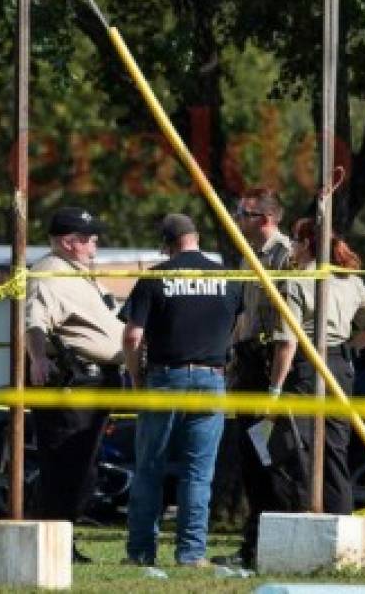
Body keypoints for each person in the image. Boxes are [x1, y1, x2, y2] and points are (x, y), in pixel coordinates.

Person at [123, 214, 240, 568]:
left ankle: (142, 553)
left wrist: (136, 379)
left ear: (166, 244)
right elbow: (239, 325)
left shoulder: (155, 277)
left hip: (165, 378)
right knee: (198, 473)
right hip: (211, 379)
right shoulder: (227, 278)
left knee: (149, 468)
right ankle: (191, 553)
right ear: (197, 238)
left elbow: (132, 336)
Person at [268, 218, 365, 515]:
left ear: (307, 245)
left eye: (296, 242)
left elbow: (287, 343)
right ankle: (340, 520)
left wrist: (273, 390)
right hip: (340, 366)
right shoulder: (349, 280)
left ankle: (301, 521)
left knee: (299, 450)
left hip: (306, 368)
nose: (292, 248)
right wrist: (350, 348)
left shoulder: (297, 282)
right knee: (335, 451)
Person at [25, 206, 124, 564]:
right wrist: (38, 358)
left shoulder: (80, 273)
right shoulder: (49, 274)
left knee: (82, 466)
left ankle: (58, 542)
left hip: (96, 382)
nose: (94, 241)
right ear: (69, 242)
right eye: (87, 237)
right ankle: (49, 545)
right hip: (73, 382)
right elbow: (35, 321)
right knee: (65, 465)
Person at [225, 187, 299, 567]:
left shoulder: (286, 256)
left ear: (265, 220)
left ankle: (275, 548)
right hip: (249, 362)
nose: (238, 219)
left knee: (274, 461)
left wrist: (276, 385)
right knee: (251, 458)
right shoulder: (248, 256)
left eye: (244, 213)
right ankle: (252, 547)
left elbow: (289, 324)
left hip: (274, 365)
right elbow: (244, 316)